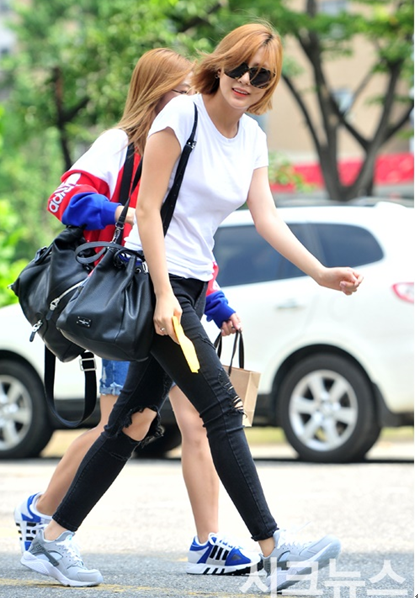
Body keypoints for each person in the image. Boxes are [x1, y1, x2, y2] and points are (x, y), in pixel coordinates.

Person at [21, 23, 363, 593]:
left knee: (130, 423)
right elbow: (147, 209)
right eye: (239, 67)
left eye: (261, 75)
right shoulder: (183, 115)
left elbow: (266, 219)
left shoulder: (251, 138)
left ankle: (52, 538)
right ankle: (275, 549)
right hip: (157, 284)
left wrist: (320, 273)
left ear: (270, 83)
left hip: (193, 287)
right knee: (221, 409)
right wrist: (162, 294)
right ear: (220, 64)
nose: (246, 81)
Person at [14, 47, 260, 578]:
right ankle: (43, 515)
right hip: (126, 303)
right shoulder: (120, 146)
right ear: (156, 92)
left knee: (200, 419)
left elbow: (184, 243)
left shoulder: (184, 149)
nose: (193, 98)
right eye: (182, 89)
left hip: (172, 301)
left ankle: (207, 542)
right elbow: (62, 198)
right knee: (121, 425)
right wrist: (124, 211)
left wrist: (216, 302)